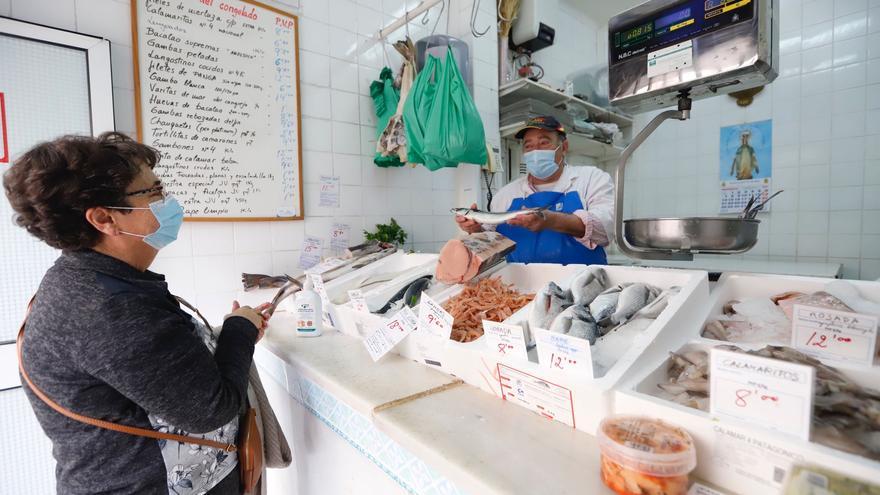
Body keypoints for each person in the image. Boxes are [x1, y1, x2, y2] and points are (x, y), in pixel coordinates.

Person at [4, 132, 270, 494]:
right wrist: (240, 330)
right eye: (154, 191)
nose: (168, 200)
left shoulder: (87, 280)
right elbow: (210, 408)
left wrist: (234, 332)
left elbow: (159, 368)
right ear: (104, 218)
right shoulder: (110, 309)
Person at [455, 116, 614, 264]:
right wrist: (475, 229)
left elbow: (605, 229)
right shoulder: (506, 194)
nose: (535, 151)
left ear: (564, 147)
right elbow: (491, 245)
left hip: (580, 286)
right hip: (519, 288)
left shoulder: (591, 178)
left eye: (544, 143)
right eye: (529, 146)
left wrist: (551, 221)